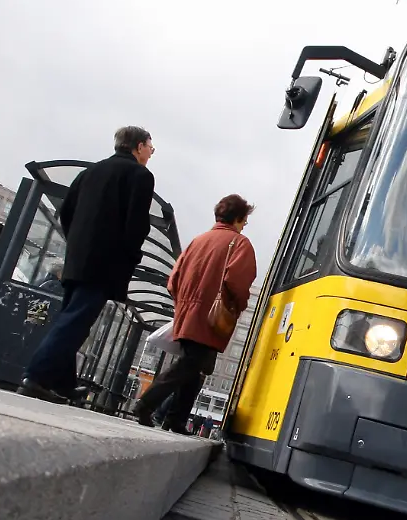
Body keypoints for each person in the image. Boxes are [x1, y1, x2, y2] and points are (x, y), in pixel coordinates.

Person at [18, 126, 156, 404]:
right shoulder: (140, 175)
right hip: (107, 262)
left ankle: (63, 383)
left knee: (71, 315)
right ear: (138, 146)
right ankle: (37, 376)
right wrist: (130, 255)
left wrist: (78, 243)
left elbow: (66, 212)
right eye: (150, 147)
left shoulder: (88, 173)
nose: (152, 153)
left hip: (77, 258)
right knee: (77, 320)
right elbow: (137, 223)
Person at [130, 194, 256, 434]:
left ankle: (176, 420)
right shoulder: (240, 244)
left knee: (196, 366)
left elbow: (173, 281)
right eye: (244, 220)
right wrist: (238, 306)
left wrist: (185, 304)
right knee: (190, 364)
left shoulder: (197, 241)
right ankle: (146, 404)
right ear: (238, 218)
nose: (245, 225)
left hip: (187, 312)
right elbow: (238, 283)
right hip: (210, 316)